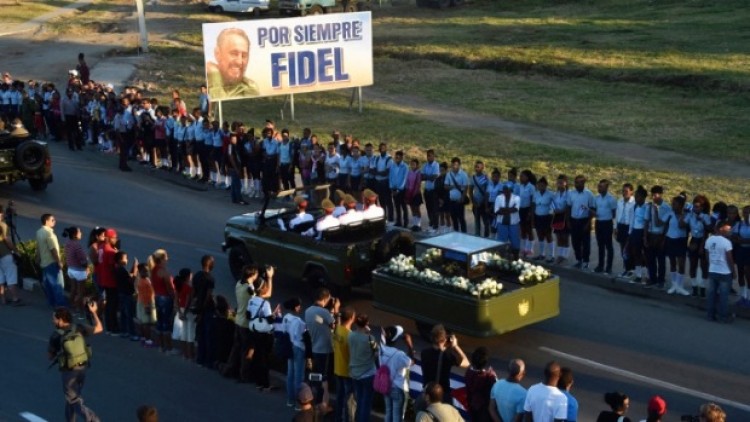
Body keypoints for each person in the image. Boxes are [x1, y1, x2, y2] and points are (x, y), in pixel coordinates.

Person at [48, 303, 102, 422]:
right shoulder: (79, 327)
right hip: (83, 368)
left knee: (73, 399)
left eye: (54, 318)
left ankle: (91, 418)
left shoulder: (56, 335)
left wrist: (59, 353)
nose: (52, 321)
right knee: (72, 397)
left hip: (69, 371)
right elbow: (99, 328)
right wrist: (94, 312)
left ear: (60, 320)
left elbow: (50, 357)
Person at [305, 287, 340, 411]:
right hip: (326, 350)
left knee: (317, 376)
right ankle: (324, 406)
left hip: (315, 349)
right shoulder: (324, 312)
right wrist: (336, 310)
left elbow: (320, 321)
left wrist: (329, 313)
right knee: (325, 379)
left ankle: (316, 401)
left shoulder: (308, 311)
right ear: (326, 298)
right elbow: (335, 327)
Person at [247, 269, 280, 391]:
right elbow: (270, 320)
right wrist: (275, 314)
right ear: (262, 289)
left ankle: (258, 382)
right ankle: (265, 384)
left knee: (257, 357)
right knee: (265, 359)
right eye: (266, 286)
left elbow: (248, 314)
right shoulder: (265, 304)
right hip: (264, 334)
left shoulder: (251, 300)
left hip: (253, 331)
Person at [420, 324, 469, 404]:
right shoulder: (448, 356)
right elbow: (466, 363)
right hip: (442, 394)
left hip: (427, 393)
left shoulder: (424, 353)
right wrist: (455, 346)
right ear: (445, 339)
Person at [206, 28, 259, 100]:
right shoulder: (204, 80)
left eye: (244, 56)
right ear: (217, 54)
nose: (239, 62)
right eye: (234, 54)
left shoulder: (250, 88)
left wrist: (215, 80)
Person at [380, 325, 415, 422]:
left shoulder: (381, 349)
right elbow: (411, 362)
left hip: (385, 386)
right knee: (397, 417)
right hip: (397, 388)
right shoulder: (399, 354)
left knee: (388, 413)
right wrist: (409, 344)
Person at [348, 313, 377, 422]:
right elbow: (376, 352)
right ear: (367, 323)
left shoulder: (350, 335)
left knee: (359, 401)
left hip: (354, 374)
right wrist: (369, 334)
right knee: (366, 403)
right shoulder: (370, 338)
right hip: (368, 374)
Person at [705, 221, 736, 323]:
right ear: (721, 229)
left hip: (712, 270)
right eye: (728, 229)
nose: (730, 231)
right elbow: (729, 259)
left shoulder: (709, 240)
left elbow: (707, 255)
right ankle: (723, 317)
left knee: (711, 294)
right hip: (724, 272)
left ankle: (710, 315)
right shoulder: (726, 242)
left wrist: (711, 265)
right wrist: (733, 271)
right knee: (724, 296)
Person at [36, 214, 67, 307]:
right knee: (58, 285)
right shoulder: (49, 233)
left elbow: (39, 247)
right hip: (52, 262)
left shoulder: (39, 232)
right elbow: (53, 249)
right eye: (52, 220)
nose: (54, 221)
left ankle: (52, 303)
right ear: (46, 221)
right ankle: (61, 305)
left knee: (48, 284)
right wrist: (58, 261)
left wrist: (38, 258)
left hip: (44, 262)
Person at [643, 186, 671, 288]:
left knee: (661, 259)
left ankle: (661, 279)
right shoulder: (649, 206)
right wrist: (645, 236)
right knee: (651, 259)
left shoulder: (666, 208)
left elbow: (662, 224)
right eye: (653, 195)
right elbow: (646, 222)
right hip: (651, 234)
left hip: (660, 235)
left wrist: (655, 211)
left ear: (661, 195)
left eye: (656, 195)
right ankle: (652, 278)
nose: (654, 197)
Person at [283, 297, 307, 408]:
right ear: (296, 307)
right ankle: (299, 403)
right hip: (298, 348)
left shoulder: (286, 317)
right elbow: (302, 337)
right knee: (299, 376)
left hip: (288, 346)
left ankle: (290, 400)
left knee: (290, 374)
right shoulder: (299, 322)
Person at [566, 175, 595, 270]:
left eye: (579, 182)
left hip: (584, 221)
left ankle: (586, 261)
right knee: (575, 242)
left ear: (583, 183)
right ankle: (579, 260)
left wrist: (588, 223)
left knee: (585, 242)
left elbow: (592, 209)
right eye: (576, 182)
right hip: (574, 220)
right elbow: (568, 207)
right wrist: (568, 221)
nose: (577, 184)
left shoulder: (589, 194)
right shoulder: (571, 193)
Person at [193, 255, 217, 366]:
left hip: (199, 307)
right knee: (208, 336)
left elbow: (193, 292)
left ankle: (200, 358)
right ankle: (208, 360)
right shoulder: (210, 279)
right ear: (211, 265)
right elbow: (208, 295)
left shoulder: (197, 275)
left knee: (200, 335)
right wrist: (203, 309)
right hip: (206, 309)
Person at [665, 195, 690, 295]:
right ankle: (674, 285)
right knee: (672, 263)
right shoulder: (670, 214)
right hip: (670, 239)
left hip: (681, 240)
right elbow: (662, 223)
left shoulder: (687, 215)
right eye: (672, 204)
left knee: (681, 264)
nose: (672, 206)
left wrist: (683, 214)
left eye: (674, 204)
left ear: (680, 205)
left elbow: (681, 225)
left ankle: (680, 286)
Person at [333, 306, 355, 422]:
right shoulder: (350, 336)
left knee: (339, 397)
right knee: (349, 401)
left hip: (338, 369)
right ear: (351, 318)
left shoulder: (337, 330)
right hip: (348, 373)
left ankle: (337, 418)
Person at [464, 346, 496, 422]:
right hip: (484, 411)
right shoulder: (488, 377)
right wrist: (493, 376)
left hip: (472, 406)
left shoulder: (469, 372)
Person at [114, 250, 139, 341]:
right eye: (125, 258)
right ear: (120, 260)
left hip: (121, 293)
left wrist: (133, 267)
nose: (127, 260)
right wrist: (135, 269)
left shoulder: (118, 269)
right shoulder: (122, 270)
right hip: (127, 294)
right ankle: (132, 333)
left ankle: (124, 331)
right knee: (129, 315)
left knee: (123, 314)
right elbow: (131, 279)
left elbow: (128, 276)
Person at [593, 179, 618, 274]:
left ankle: (609, 267)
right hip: (598, 223)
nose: (599, 188)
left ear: (606, 187)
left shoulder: (611, 199)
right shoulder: (597, 198)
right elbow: (596, 210)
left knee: (608, 246)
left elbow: (614, 214)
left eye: (601, 186)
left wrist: (615, 226)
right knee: (600, 245)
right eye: (598, 186)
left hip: (607, 224)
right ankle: (600, 265)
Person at [173, 268, 195, 360]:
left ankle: (184, 354)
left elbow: (176, 300)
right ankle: (190, 355)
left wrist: (179, 312)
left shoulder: (178, 286)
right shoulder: (189, 288)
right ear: (187, 277)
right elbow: (188, 301)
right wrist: (185, 313)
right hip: (188, 312)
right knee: (190, 335)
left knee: (183, 334)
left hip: (180, 311)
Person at [0, 206, 20, 305]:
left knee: (0, 278)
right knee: (11, 277)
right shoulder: (3, 225)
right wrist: (15, 250)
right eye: (2, 212)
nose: (3, 214)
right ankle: (15, 298)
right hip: (5, 254)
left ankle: (3, 299)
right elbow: (7, 240)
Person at [531, 177, 555, 261]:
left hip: (547, 217)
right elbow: (533, 206)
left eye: (542, 185)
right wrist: (533, 219)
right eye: (539, 185)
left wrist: (552, 217)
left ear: (546, 185)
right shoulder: (535, 194)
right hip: (538, 217)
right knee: (540, 235)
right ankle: (541, 254)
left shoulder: (551, 194)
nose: (540, 186)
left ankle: (551, 256)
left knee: (548, 236)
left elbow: (555, 206)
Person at [495, 183, 521, 258]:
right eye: (504, 190)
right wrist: (509, 209)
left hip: (513, 223)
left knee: (515, 241)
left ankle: (515, 257)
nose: (505, 191)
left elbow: (515, 209)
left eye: (507, 190)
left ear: (511, 190)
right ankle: (501, 257)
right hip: (502, 223)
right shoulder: (499, 198)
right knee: (501, 242)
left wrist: (503, 209)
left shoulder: (517, 198)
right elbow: (497, 211)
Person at [615, 183, 636, 277]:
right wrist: (615, 227)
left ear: (631, 192)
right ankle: (626, 268)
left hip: (629, 227)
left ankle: (631, 269)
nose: (624, 193)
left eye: (626, 191)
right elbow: (617, 214)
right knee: (622, 248)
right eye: (623, 191)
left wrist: (631, 231)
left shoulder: (634, 203)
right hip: (621, 226)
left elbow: (633, 218)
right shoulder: (620, 201)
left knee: (628, 249)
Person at [445, 157, 469, 233]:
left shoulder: (463, 174)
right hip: (452, 200)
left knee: (461, 218)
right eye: (453, 165)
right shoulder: (449, 174)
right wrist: (452, 186)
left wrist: (462, 198)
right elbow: (445, 186)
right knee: (454, 218)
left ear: (459, 165)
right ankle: (456, 234)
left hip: (460, 201)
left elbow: (465, 187)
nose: (454, 166)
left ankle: (464, 234)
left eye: (456, 165)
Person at [136, 263, 157, 347]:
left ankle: (143, 338)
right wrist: (147, 306)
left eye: (147, 270)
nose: (147, 272)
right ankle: (148, 340)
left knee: (142, 322)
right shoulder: (144, 282)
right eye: (144, 271)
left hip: (141, 302)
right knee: (146, 323)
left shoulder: (143, 280)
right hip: (146, 303)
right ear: (140, 272)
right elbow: (146, 296)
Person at [551, 174, 570, 264]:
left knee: (565, 237)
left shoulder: (569, 193)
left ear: (565, 183)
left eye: (561, 182)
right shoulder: (555, 194)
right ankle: (559, 255)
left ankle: (565, 256)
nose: (559, 184)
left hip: (565, 216)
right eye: (558, 182)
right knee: (558, 236)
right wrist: (555, 210)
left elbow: (569, 205)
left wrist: (562, 210)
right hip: (557, 216)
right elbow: (553, 204)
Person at [470, 161, 491, 238]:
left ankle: (486, 237)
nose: (476, 168)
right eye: (475, 167)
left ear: (482, 168)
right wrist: (473, 201)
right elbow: (470, 190)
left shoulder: (485, 178)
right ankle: (477, 237)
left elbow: (487, 191)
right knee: (477, 222)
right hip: (476, 203)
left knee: (486, 222)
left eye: (478, 167)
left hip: (484, 203)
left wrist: (483, 202)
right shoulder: (473, 178)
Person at [389, 150, 409, 228]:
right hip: (394, 188)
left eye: (398, 157)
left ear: (401, 158)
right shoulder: (392, 166)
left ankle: (406, 222)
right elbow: (390, 177)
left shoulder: (405, 166)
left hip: (402, 189)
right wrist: (391, 187)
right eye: (396, 157)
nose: (397, 158)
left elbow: (404, 179)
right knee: (397, 206)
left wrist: (399, 189)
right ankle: (398, 221)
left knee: (403, 206)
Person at [422, 150, 440, 233]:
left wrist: (427, 176)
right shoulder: (425, 165)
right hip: (427, 190)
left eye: (430, 155)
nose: (429, 157)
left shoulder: (436, 165)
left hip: (434, 190)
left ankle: (435, 226)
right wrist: (429, 177)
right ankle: (431, 224)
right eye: (428, 156)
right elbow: (422, 177)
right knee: (428, 208)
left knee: (434, 209)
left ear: (433, 156)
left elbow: (434, 177)